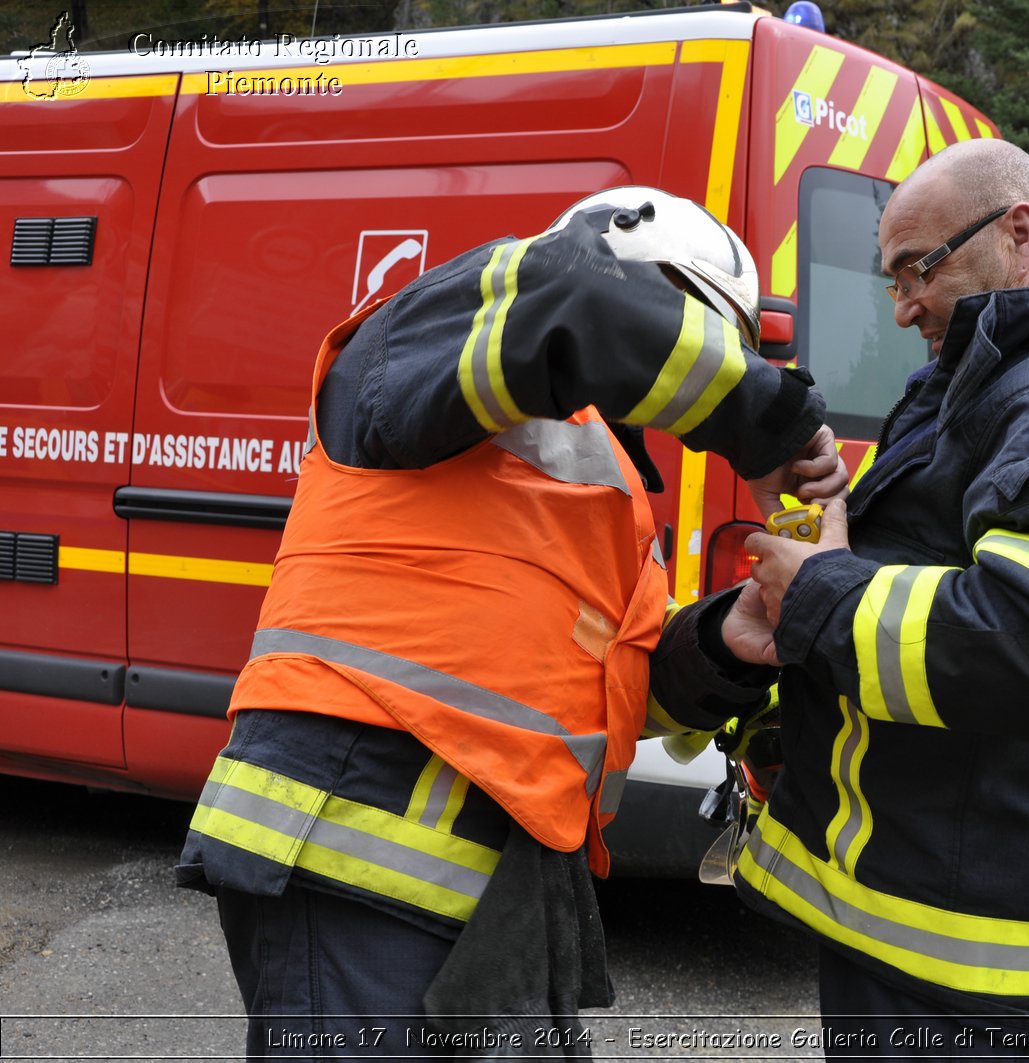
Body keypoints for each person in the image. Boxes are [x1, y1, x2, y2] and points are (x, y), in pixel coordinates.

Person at [175, 186, 845, 1057]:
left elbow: (619, 689)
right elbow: (579, 300)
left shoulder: (604, 490)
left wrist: (728, 639)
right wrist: (769, 423)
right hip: (345, 859)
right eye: (705, 336)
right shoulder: (421, 345)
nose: (699, 373)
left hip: (496, 895)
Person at [738, 139, 1029, 1056]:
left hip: (963, 942)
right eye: (892, 280)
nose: (903, 305)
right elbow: (942, 555)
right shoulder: (1003, 371)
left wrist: (822, 596)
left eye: (917, 268)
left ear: (1019, 233)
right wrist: (834, 505)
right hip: (937, 903)